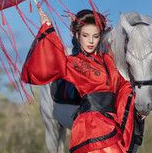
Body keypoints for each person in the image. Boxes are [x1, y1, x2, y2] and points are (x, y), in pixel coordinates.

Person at [21, 9, 136, 153]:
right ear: (77, 35)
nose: (90, 41)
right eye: (85, 35)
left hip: (111, 123)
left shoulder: (108, 60)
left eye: (95, 36)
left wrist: (134, 101)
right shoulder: (73, 63)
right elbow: (51, 63)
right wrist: (48, 28)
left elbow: (123, 85)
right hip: (91, 126)